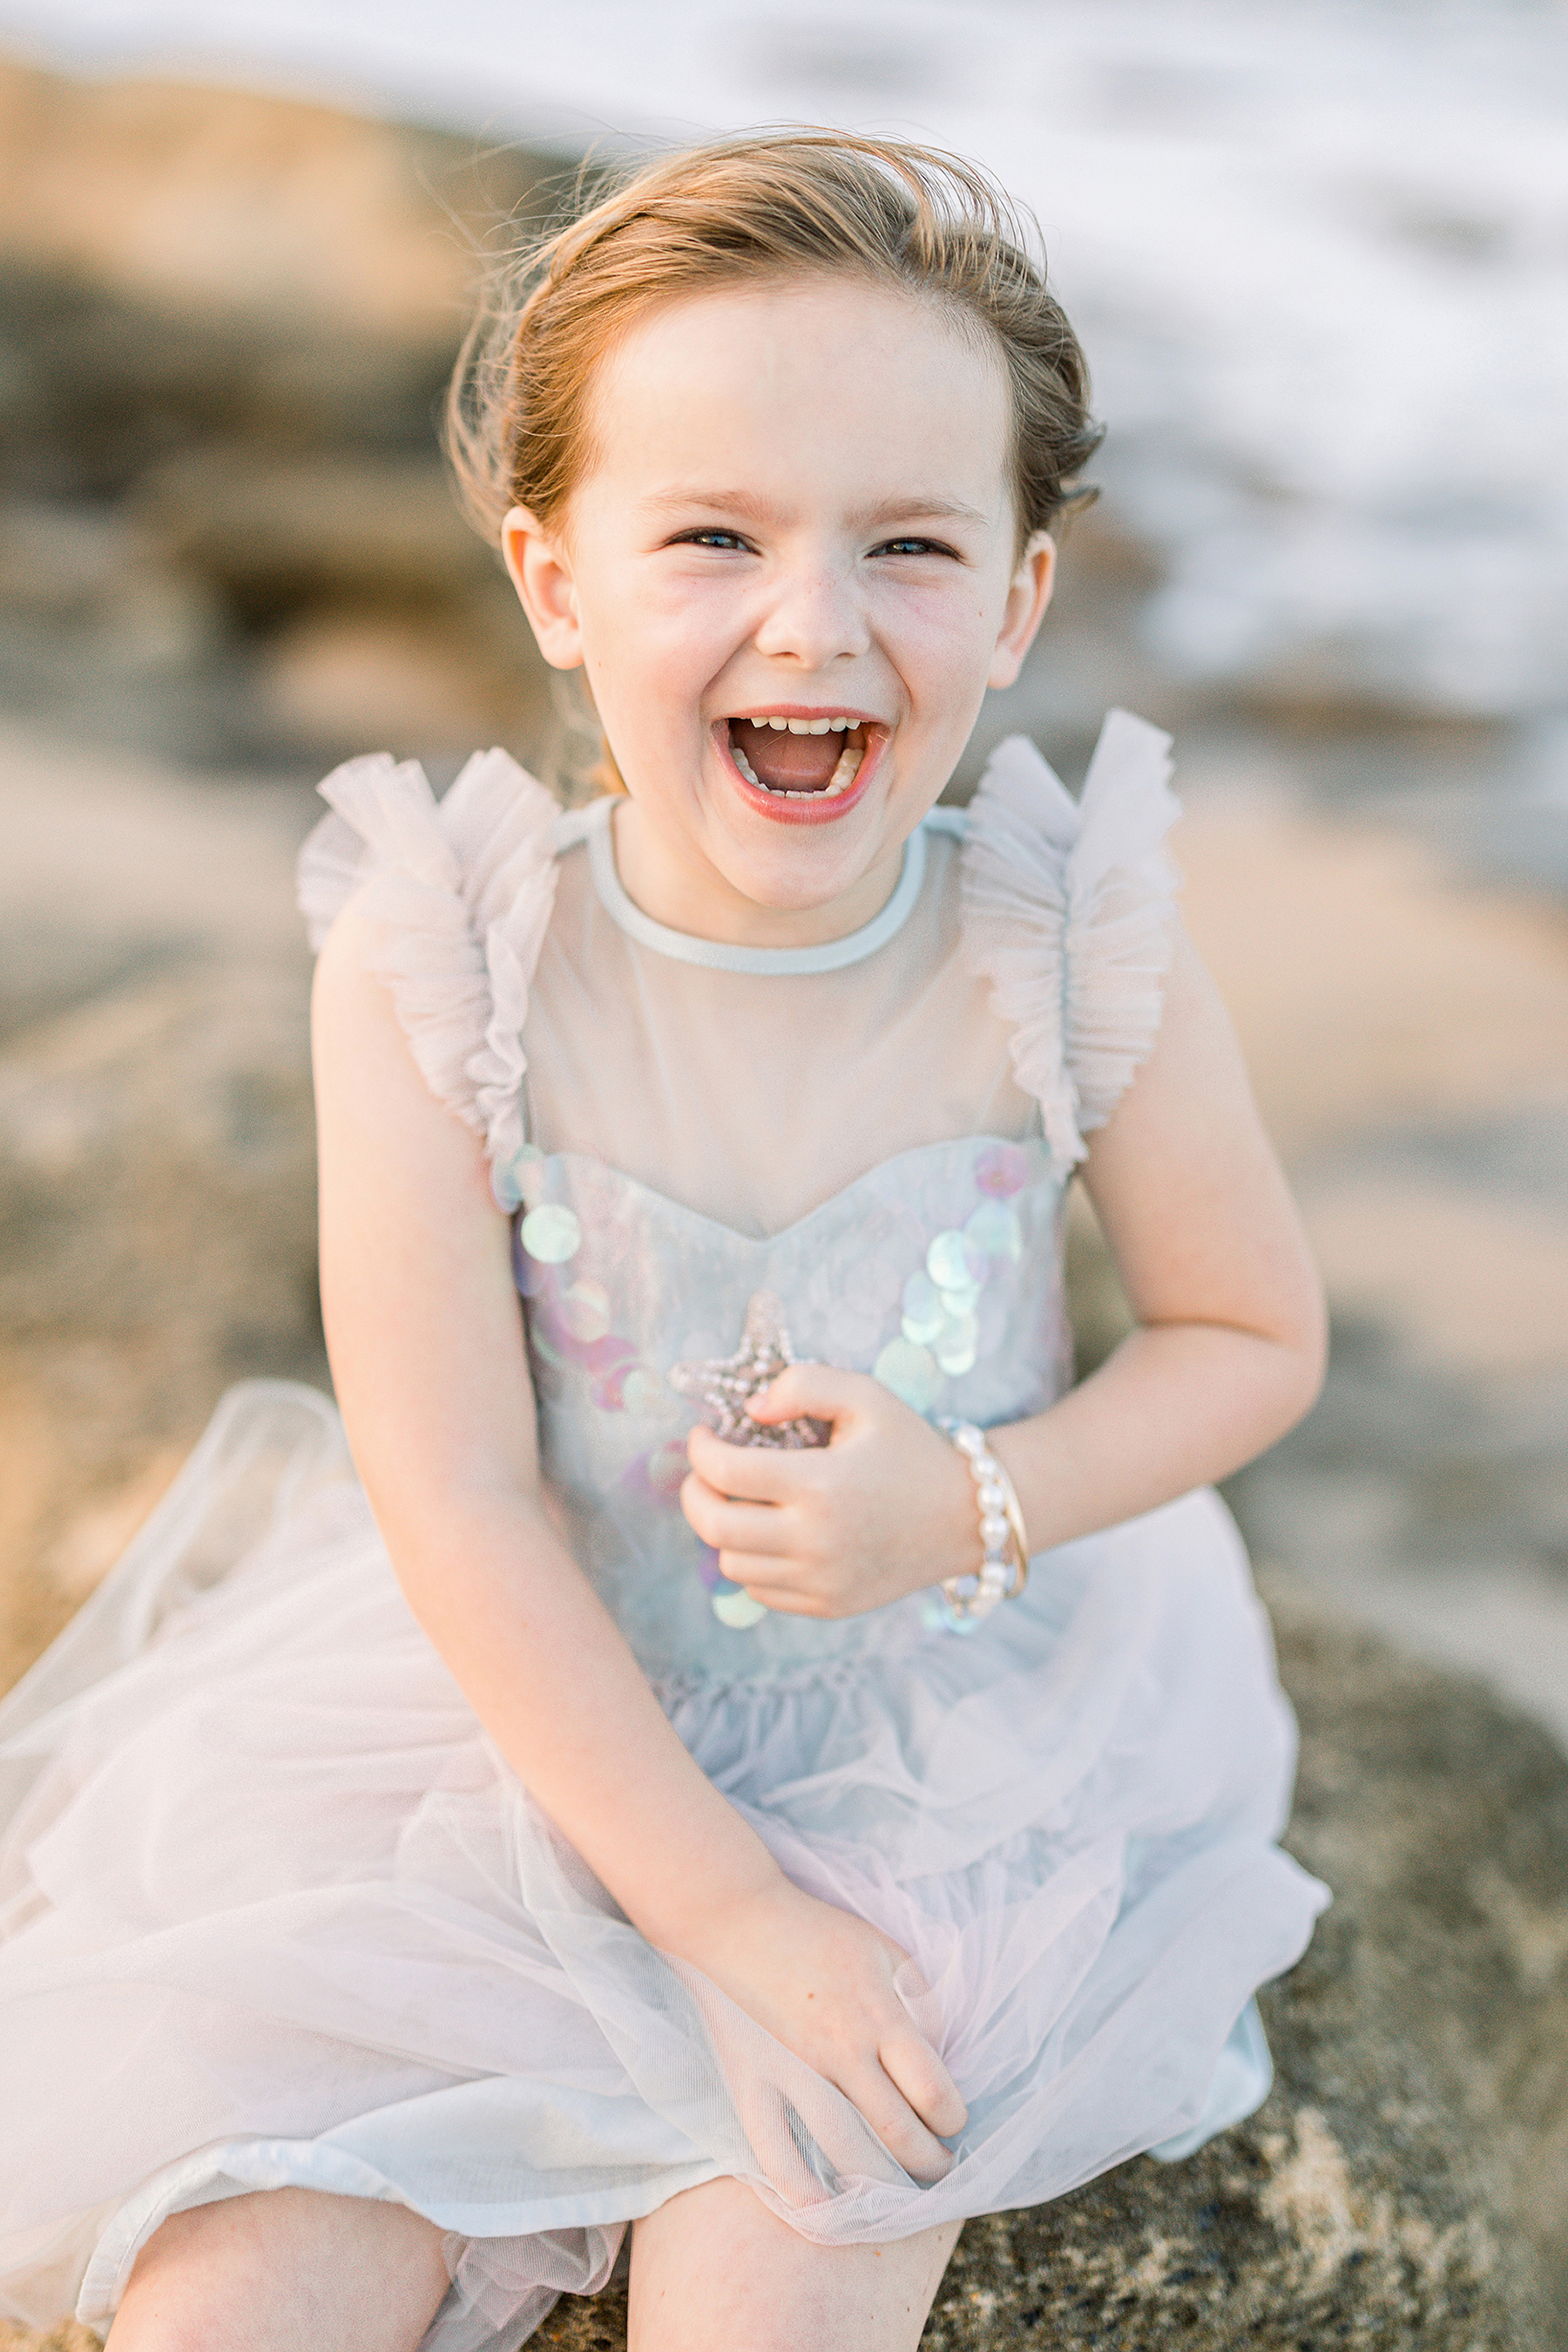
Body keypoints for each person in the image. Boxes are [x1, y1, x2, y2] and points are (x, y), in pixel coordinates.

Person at [0, 132, 1330, 2352]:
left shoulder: (1067, 939)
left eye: (910, 545)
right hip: (516, 1706)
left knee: (786, 2275)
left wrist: (971, 1503)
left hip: (935, 1733)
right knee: (239, 2290)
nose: (811, 621)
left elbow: (1247, 1334)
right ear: (553, 581)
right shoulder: (454, 963)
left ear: (1017, 601)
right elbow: (449, 1484)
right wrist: (724, 1909)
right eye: (709, 534)